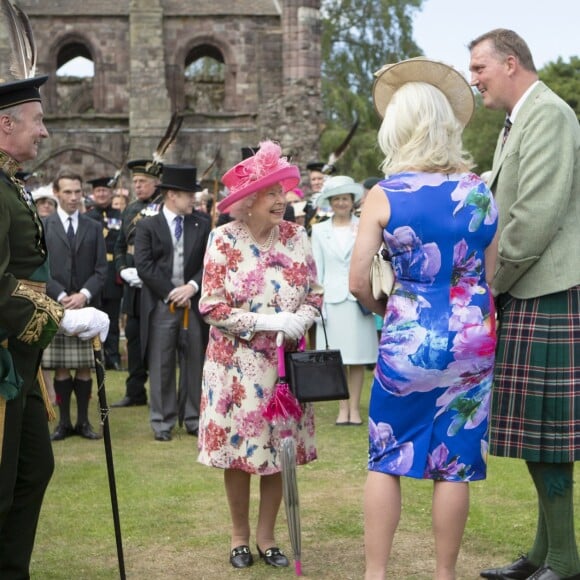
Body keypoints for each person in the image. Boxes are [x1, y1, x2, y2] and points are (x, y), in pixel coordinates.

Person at [349, 57, 498, 580]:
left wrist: (383, 310)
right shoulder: (479, 190)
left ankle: (376, 574)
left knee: (385, 457)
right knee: (455, 463)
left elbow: (357, 280)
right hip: (471, 340)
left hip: (408, 335)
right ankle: (444, 575)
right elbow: (489, 272)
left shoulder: (385, 195)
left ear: (398, 128)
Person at [468, 29, 580, 580]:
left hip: (547, 289)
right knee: (541, 434)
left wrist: (491, 282)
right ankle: (546, 553)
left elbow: (532, 220)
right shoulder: (519, 121)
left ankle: (563, 558)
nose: (474, 78)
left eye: (479, 67)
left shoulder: (550, 116)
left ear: (510, 63)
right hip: (530, 289)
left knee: (549, 433)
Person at [0, 74, 108, 577]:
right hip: (3, 359)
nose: (44, 133)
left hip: (18, 359)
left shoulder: (10, 183)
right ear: (6, 125)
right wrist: (61, 318)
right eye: (37, 121)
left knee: (33, 469)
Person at [197, 140, 322, 569]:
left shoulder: (297, 235)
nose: (282, 201)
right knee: (238, 451)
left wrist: (299, 319)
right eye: (272, 194)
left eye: (283, 192)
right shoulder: (223, 239)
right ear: (248, 201)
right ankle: (238, 537)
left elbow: (316, 296)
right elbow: (210, 306)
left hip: (282, 368)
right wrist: (267, 322)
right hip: (234, 368)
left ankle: (268, 537)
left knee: (277, 454)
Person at [134, 165, 211, 441]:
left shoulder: (202, 224)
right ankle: (163, 422)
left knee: (194, 362)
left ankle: (193, 418)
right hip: (161, 305)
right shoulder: (147, 225)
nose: (194, 199)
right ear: (172, 195)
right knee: (161, 363)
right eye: (189, 194)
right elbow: (143, 265)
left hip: (193, 304)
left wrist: (191, 287)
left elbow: (209, 261)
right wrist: (171, 292)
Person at [42, 171, 108, 441]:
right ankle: (63, 423)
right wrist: (59, 295)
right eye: (67, 192)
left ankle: (83, 422)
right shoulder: (44, 226)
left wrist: (83, 294)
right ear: (57, 193)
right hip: (57, 306)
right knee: (59, 366)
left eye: (77, 192)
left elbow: (103, 269)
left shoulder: (93, 226)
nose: (73, 197)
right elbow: (40, 268)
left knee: (84, 366)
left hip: (86, 307)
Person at [311, 175, 378, 426]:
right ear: (331, 202)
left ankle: (355, 409)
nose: (341, 203)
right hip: (331, 298)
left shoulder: (364, 226)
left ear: (352, 202)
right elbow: (316, 269)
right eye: (337, 198)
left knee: (358, 357)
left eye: (345, 198)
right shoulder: (318, 230)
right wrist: (318, 303)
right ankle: (342, 409)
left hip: (357, 298)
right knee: (337, 358)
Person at [112, 158, 163, 407]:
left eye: (143, 181)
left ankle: (159, 391)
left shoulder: (164, 207)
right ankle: (134, 391)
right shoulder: (130, 209)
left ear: (156, 183)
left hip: (154, 284)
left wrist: (149, 273)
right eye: (135, 182)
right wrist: (122, 269)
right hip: (133, 284)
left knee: (155, 339)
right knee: (133, 335)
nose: (138, 186)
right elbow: (120, 244)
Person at [86, 177, 124, 371]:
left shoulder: (120, 216)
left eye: (105, 190)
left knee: (112, 318)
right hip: (92, 274)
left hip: (112, 274)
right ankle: (93, 357)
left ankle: (113, 357)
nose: (101, 194)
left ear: (111, 193)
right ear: (93, 194)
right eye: (98, 191)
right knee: (93, 317)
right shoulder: (87, 217)